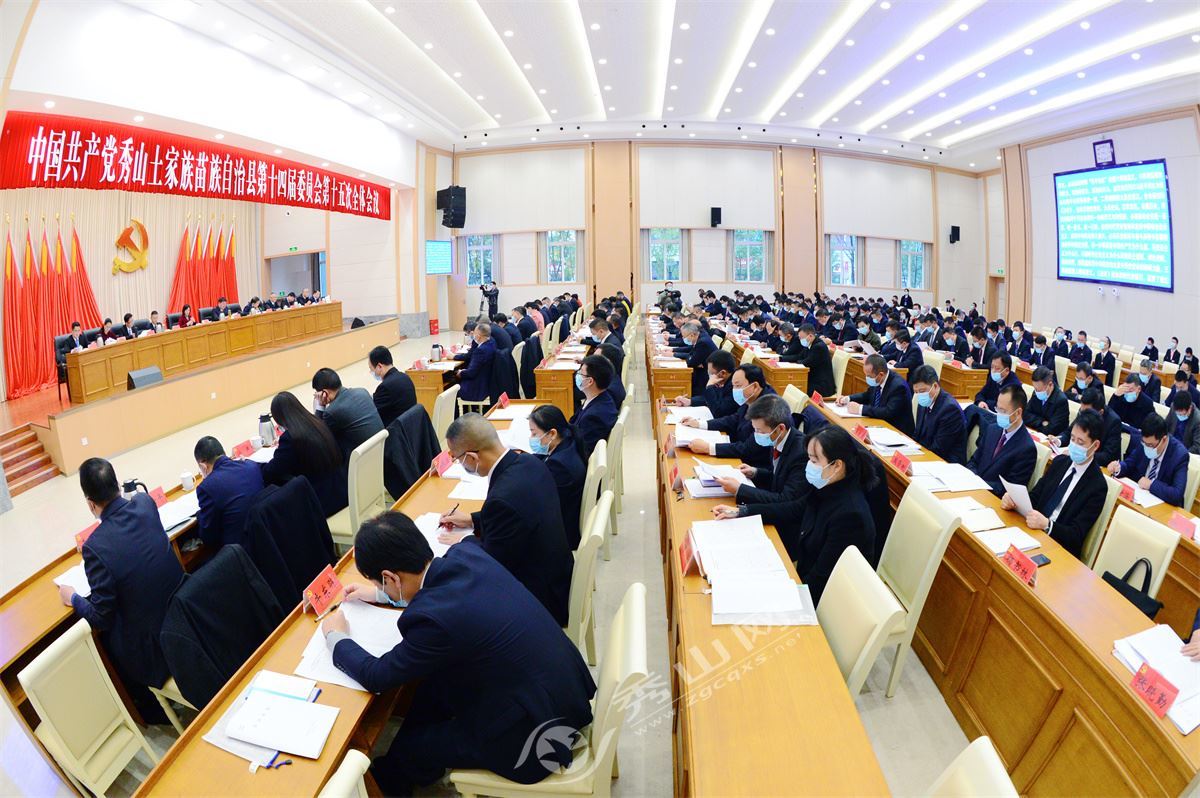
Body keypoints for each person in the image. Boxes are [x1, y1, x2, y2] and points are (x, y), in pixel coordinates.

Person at [320, 512, 594, 794]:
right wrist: (378, 595)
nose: (380, 589)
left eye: (381, 584)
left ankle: (395, 780)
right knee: (428, 689)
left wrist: (335, 636)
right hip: (563, 693)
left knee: (408, 749)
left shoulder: (430, 622)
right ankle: (420, 757)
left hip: (534, 738)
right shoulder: (466, 553)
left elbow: (376, 675)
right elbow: (446, 601)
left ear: (390, 576)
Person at [60, 458, 183, 719]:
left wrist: (73, 597)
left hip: (155, 643)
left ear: (90, 503)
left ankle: (150, 711)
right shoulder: (145, 503)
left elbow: (101, 617)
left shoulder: (95, 547)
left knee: (105, 639)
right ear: (117, 485)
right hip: (184, 611)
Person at [714, 426, 875, 603]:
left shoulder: (850, 516)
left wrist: (780, 598)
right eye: (809, 459)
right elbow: (792, 508)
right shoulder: (827, 486)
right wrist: (742, 512)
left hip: (827, 600)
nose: (809, 466)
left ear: (837, 465)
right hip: (803, 575)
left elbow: (821, 579)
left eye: (814, 461)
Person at [436, 415, 573, 624]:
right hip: (557, 574)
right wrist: (472, 520)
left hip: (540, 598)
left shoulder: (502, 498)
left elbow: (491, 563)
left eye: (457, 458)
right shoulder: (528, 461)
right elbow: (518, 514)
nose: (458, 463)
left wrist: (464, 541)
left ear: (472, 457)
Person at [1004, 410, 1108, 560]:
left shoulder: (1097, 486)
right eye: (1072, 439)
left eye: (1080, 442)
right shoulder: (1060, 462)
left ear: (1095, 445)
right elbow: (1035, 496)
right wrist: (1015, 501)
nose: (1074, 445)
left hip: (1058, 549)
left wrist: (1047, 525)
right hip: (1032, 533)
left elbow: (1076, 535)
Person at [259, 391, 348, 517]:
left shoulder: (290, 437)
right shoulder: (317, 423)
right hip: (341, 490)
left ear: (279, 418)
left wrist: (255, 466)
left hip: (323, 503)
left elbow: (271, 472)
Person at [712, 394, 809, 505]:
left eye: (760, 431)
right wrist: (755, 472)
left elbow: (785, 500)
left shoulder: (801, 454)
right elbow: (777, 476)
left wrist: (739, 489)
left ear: (780, 428)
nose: (756, 435)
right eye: (755, 429)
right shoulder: (777, 438)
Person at [682, 364, 777, 469]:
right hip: (741, 455)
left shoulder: (768, 408)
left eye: (738, 386)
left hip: (754, 468)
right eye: (733, 386)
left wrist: (708, 448)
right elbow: (734, 419)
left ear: (754, 386)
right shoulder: (752, 397)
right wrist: (700, 424)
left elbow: (748, 449)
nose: (734, 390)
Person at [528, 405, 587, 549]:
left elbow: (536, 505)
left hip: (559, 537)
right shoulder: (568, 442)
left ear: (552, 434)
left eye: (534, 434)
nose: (531, 438)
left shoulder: (560, 466)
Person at [194, 436, 265, 549]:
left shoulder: (207, 487)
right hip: (266, 538)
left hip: (241, 553)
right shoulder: (251, 465)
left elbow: (208, 537)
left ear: (203, 465)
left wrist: (199, 516)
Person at [967, 384, 1037, 496]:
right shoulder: (992, 429)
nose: (998, 414)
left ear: (1018, 413)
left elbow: (1010, 490)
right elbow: (974, 460)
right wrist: (971, 477)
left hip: (993, 500)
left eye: (1003, 411)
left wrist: (980, 484)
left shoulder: (1026, 448)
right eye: (997, 408)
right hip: (973, 489)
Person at [1110, 414, 1190, 507]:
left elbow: (1177, 494)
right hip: (1140, 499)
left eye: (1151, 445)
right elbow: (1129, 464)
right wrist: (1118, 467)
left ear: (1164, 439)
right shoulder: (1145, 442)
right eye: (1144, 443)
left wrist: (1151, 485)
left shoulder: (1179, 455)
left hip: (1162, 506)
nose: (1147, 447)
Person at [312, 367, 385, 464]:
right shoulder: (362, 391)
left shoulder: (332, 412)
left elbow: (319, 437)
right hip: (380, 451)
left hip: (360, 462)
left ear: (324, 393)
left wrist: (320, 407)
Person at [838, 354, 914, 435]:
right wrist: (848, 398)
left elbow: (888, 412)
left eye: (869, 376)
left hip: (897, 431)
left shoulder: (898, 386)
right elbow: (867, 395)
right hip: (879, 424)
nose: (867, 378)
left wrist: (860, 409)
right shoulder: (878, 379)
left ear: (880, 374)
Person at [910, 365, 967, 464]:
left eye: (922, 391)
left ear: (935, 386)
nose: (919, 395)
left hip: (946, 462)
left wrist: (916, 458)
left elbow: (939, 449)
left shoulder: (950, 409)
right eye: (916, 392)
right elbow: (917, 434)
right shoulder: (925, 401)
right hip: (927, 454)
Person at [1061, 388, 1123, 467]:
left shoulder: (1113, 422)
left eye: (1087, 412)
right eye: (1082, 410)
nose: (1083, 414)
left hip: (1100, 466)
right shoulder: (1084, 411)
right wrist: (1058, 441)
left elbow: (1108, 456)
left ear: (1100, 412)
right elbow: (1069, 432)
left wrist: (1084, 456)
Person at [570, 355, 618, 457]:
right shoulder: (601, 398)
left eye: (580, 372)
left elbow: (582, 452)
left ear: (590, 381)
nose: (577, 375)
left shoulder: (593, 417)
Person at [671, 349, 739, 418]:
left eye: (712, 374)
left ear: (723, 373)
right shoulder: (726, 380)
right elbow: (712, 398)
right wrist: (690, 401)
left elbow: (718, 413)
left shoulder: (735, 386)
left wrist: (709, 387)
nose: (710, 377)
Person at [368, 345, 417, 427]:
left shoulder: (385, 387)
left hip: (396, 433)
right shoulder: (405, 377)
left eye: (371, 369)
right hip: (412, 427)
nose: (371, 372)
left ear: (379, 366)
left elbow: (372, 415)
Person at [455, 322, 496, 403]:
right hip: (487, 382)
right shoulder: (492, 342)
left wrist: (461, 372)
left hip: (477, 388)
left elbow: (471, 373)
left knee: (452, 389)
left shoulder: (480, 350)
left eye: (475, 333)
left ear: (478, 335)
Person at [1026, 366, 1070, 436]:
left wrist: (1034, 422)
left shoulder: (1061, 401)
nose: (1036, 392)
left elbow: (1051, 429)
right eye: (1035, 389)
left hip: (1051, 440)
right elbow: (1025, 415)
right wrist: (1042, 422)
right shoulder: (1036, 393)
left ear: (1050, 384)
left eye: (1039, 390)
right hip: (1036, 433)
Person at [676, 320, 716, 396]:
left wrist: (693, 360)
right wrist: (693, 359)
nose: (683, 338)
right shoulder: (700, 338)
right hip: (704, 369)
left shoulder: (702, 342)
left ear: (692, 335)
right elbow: (690, 355)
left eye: (684, 337)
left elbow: (691, 362)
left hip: (708, 375)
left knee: (684, 377)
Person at [795, 322, 836, 397]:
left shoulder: (819, 347)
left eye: (801, 338)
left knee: (797, 388)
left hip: (822, 386)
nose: (800, 340)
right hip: (813, 380)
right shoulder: (810, 343)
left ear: (810, 336)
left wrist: (796, 363)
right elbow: (799, 356)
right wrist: (782, 358)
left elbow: (806, 363)